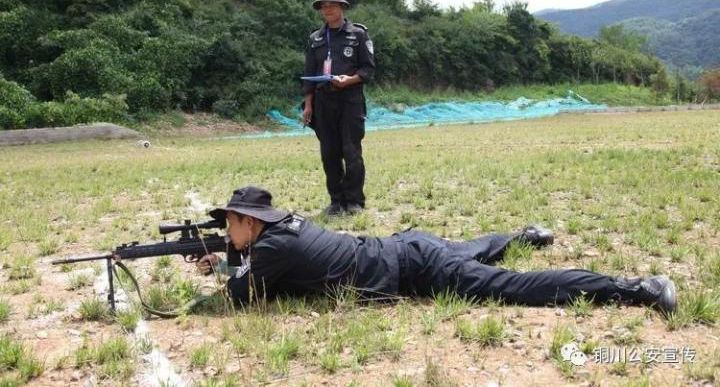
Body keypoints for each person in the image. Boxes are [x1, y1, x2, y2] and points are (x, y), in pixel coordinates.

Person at [197, 186, 677, 314]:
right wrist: (224, 261)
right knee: (471, 251)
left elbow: (246, 298)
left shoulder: (272, 247)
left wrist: (222, 271)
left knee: (510, 288)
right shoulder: (285, 230)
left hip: (414, 266)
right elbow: (261, 278)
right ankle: (525, 235)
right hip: (407, 247)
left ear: (250, 222)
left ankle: (637, 288)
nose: (227, 230)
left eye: (229, 224)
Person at [302, 0, 375, 216]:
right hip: (324, 102)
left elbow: (368, 70)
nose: (327, 9)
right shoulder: (315, 38)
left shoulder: (358, 35)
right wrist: (308, 104)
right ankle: (336, 201)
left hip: (350, 100)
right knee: (329, 153)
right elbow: (309, 73)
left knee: (351, 151)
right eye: (324, 5)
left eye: (332, 4)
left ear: (342, 6)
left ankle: (354, 201)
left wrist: (350, 79)